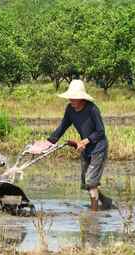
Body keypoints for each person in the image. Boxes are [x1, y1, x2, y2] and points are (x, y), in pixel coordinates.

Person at [43, 79, 112, 211]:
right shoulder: (70, 109)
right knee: (87, 183)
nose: (71, 100)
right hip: (85, 149)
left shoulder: (92, 109)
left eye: (75, 97)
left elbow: (100, 132)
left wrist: (85, 141)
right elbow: (62, 127)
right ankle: (106, 202)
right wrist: (48, 142)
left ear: (81, 98)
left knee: (91, 181)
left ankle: (93, 216)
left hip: (98, 148)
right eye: (70, 97)